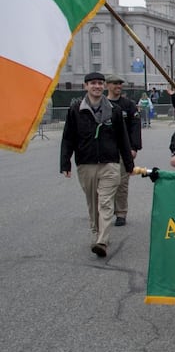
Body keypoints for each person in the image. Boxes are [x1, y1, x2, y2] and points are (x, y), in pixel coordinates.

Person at [60, 72, 135, 258]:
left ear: (104, 86)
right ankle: (96, 235)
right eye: (93, 83)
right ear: (86, 86)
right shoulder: (76, 109)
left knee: (106, 202)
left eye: (100, 83)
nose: (97, 86)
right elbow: (68, 138)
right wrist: (65, 163)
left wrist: (129, 163)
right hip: (86, 164)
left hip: (110, 163)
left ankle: (102, 240)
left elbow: (123, 139)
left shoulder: (114, 110)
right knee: (93, 203)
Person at [105, 74, 142, 226]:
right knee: (105, 183)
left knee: (122, 183)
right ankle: (105, 211)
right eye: (114, 84)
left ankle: (121, 213)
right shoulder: (102, 104)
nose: (118, 87)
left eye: (120, 84)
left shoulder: (128, 105)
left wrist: (134, 147)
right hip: (105, 150)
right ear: (107, 85)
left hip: (123, 149)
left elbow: (135, 126)